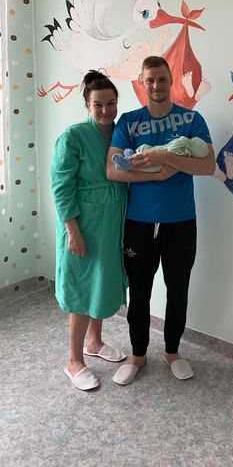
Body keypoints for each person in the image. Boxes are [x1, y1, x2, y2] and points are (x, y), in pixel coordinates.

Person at [106, 56, 215, 385]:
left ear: (171, 81)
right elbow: (113, 170)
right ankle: (138, 355)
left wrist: (165, 157)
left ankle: (172, 352)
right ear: (142, 82)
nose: (156, 85)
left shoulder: (191, 119)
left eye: (162, 79)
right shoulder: (128, 121)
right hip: (139, 222)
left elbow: (207, 165)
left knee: (178, 289)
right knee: (139, 292)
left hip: (181, 221)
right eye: (150, 79)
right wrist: (159, 173)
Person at [51, 71, 128, 391]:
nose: (106, 110)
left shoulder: (120, 133)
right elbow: (61, 186)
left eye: (111, 103)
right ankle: (74, 360)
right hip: (83, 223)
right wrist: (73, 231)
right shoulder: (73, 136)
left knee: (101, 283)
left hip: (113, 221)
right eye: (98, 104)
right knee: (82, 289)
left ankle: (94, 342)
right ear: (87, 105)